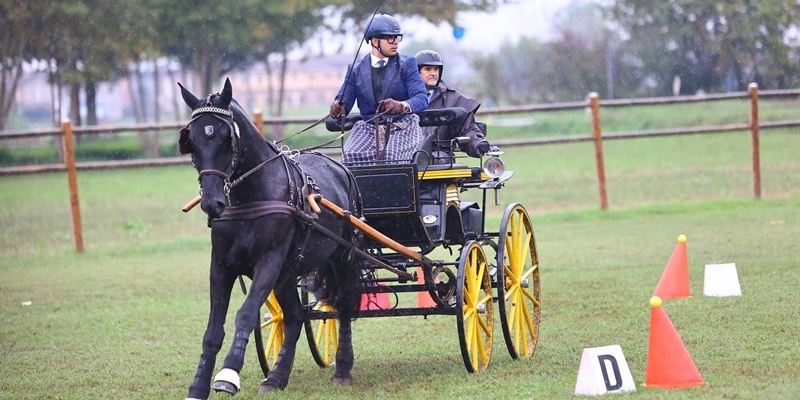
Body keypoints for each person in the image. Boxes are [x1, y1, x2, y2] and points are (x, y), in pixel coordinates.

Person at [330, 14, 428, 165]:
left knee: (390, 157)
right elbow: (345, 104)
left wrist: (401, 105)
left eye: (397, 38)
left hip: (402, 126)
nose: (395, 42)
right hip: (368, 128)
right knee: (349, 156)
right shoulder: (354, 69)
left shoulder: (407, 64)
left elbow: (421, 98)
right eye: (390, 38)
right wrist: (338, 107)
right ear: (375, 41)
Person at [415, 49, 490, 164]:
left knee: (433, 160)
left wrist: (478, 143)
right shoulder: (402, 97)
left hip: (440, 156)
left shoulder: (454, 99)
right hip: (407, 154)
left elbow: (468, 129)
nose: (434, 73)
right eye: (428, 69)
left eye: (436, 69)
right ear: (416, 72)